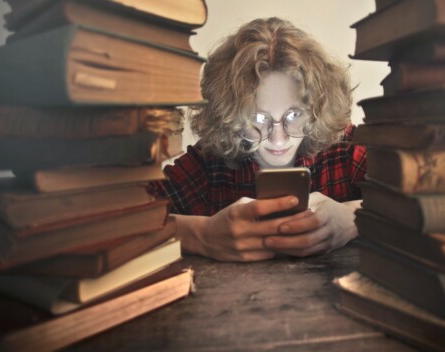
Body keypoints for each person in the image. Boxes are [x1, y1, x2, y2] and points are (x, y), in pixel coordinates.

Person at [149, 17, 367, 262]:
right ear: (230, 116)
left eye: (293, 115)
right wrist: (200, 234)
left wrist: (355, 218)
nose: (277, 138)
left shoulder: (345, 151)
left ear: (316, 109)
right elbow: (124, 221)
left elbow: (416, 200)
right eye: (258, 118)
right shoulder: (207, 166)